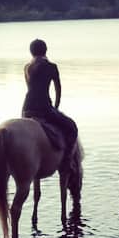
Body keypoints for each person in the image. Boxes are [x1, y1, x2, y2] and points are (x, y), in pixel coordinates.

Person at [21, 38, 79, 171]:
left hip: (26, 109)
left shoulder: (27, 67)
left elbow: (30, 88)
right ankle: (67, 160)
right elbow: (58, 89)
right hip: (44, 108)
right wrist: (56, 107)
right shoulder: (51, 67)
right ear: (46, 50)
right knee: (71, 127)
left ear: (31, 52)